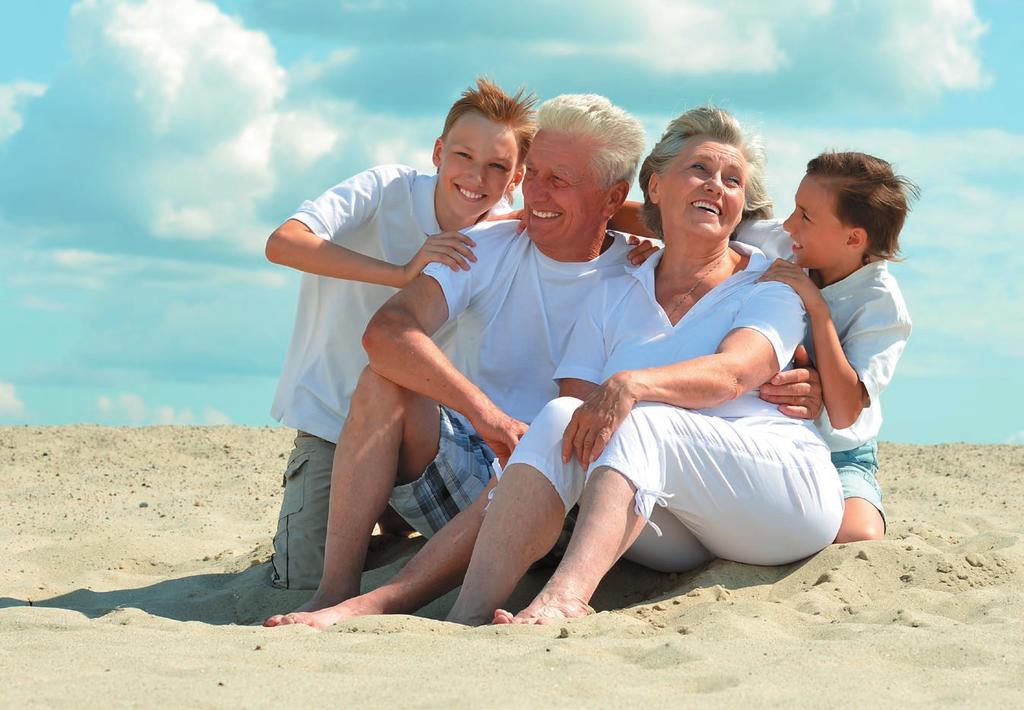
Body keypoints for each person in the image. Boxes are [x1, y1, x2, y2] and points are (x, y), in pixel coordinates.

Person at [444, 106, 845, 626]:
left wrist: (631, 384)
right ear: (654, 186)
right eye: (700, 169)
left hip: (780, 498)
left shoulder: (773, 282)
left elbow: (733, 375)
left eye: (733, 180)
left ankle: (565, 599)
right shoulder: (617, 287)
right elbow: (572, 432)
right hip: (673, 523)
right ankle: (465, 617)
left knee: (643, 417)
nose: (716, 186)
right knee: (563, 414)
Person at [263, 93, 649, 629]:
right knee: (383, 380)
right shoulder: (478, 238)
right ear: (439, 152)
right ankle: (334, 590)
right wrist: (490, 418)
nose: (536, 192)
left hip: (565, 488)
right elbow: (386, 333)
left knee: (539, 457)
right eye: (533, 174)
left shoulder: (646, 264)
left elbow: (743, 244)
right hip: (448, 453)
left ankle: (387, 580)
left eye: (554, 180)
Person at [265, 78, 538, 589]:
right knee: (298, 581)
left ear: (516, 177)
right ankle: (369, 534)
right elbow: (283, 243)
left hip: (421, 434)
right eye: (463, 155)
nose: (476, 176)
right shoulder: (384, 189)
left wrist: (644, 244)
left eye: (497, 166)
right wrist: (400, 273)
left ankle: (396, 524)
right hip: (334, 425)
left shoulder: (501, 230)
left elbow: (585, 216)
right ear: (438, 152)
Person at [758, 152, 917, 542]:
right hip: (772, 436)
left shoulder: (881, 304)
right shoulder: (786, 240)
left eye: (805, 216)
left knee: (856, 534)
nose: (789, 223)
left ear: (853, 238)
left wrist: (817, 307)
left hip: (841, 455)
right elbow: (678, 221)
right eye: (795, 208)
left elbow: (845, 412)